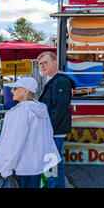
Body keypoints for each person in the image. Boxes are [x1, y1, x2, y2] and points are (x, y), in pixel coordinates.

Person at [0, 77, 61, 188]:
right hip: (35, 166)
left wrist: (7, 168)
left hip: (22, 167)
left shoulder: (21, 111)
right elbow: (48, 136)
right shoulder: (40, 108)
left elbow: (14, 143)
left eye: (16, 88)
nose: (12, 91)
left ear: (26, 91)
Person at [37, 52, 74, 188]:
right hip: (52, 131)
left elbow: (58, 110)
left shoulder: (60, 81)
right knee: (53, 164)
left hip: (54, 131)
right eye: (40, 64)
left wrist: (47, 131)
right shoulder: (52, 80)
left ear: (54, 63)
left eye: (45, 62)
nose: (42, 66)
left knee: (52, 164)